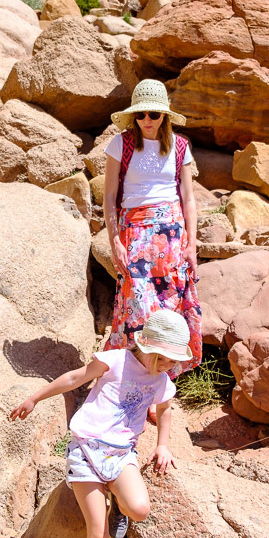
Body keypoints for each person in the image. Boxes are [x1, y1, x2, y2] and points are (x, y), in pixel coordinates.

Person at [9, 309, 187, 538]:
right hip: (87, 449)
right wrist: (35, 398)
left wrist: (163, 445)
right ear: (147, 348)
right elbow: (76, 377)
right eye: (163, 360)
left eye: (173, 362)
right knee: (98, 535)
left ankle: (118, 504)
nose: (168, 367)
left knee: (140, 508)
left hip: (121, 453)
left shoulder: (162, 381)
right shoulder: (116, 360)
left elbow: (165, 410)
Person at [102, 79, 202, 398]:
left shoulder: (181, 147)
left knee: (169, 312)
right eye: (142, 114)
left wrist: (192, 244)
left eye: (154, 114)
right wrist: (114, 239)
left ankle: (157, 392)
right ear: (134, 115)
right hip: (135, 231)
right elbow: (108, 197)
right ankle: (130, 380)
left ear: (164, 117)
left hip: (172, 234)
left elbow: (188, 198)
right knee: (138, 308)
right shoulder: (121, 144)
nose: (147, 120)